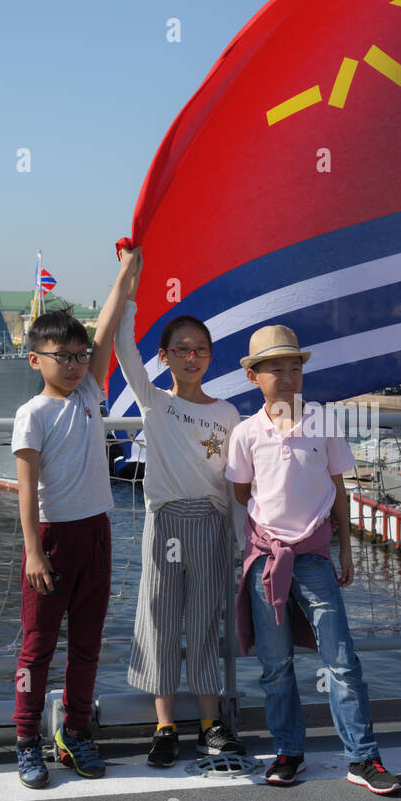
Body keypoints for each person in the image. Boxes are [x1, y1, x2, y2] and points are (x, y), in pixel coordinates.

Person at [226, 324, 401, 794]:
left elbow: (339, 488)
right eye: (275, 368)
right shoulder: (246, 433)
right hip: (266, 559)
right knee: (275, 663)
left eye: (294, 367)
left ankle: (363, 757)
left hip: (315, 556)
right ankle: (288, 750)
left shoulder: (323, 422)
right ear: (253, 377)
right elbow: (243, 492)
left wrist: (345, 546)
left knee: (342, 659)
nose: (287, 376)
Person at [101, 246, 245, 766]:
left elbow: (231, 484)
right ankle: (164, 724)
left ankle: (211, 722)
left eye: (200, 349)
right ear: (164, 358)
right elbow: (120, 344)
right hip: (165, 523)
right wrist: (130, 281)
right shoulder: (155, 400)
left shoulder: (228, 413)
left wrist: (242, 539)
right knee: (160, 621)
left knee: (206, 621)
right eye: (181, 349)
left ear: (210, 356)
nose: (191, 356)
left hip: (210, 524)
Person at [10, 291, 121, 788]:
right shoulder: (32, 413)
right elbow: (27, 489)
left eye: (80, 357)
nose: (76, 365)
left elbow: (109, 324)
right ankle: (26, 738)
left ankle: (74, 732)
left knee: (87, 645)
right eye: (63, 357)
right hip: (52, 542)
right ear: (36, 360)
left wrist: (126, 271)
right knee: (37, 647)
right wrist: (33, 551)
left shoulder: (90, 393)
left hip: (96, 533)